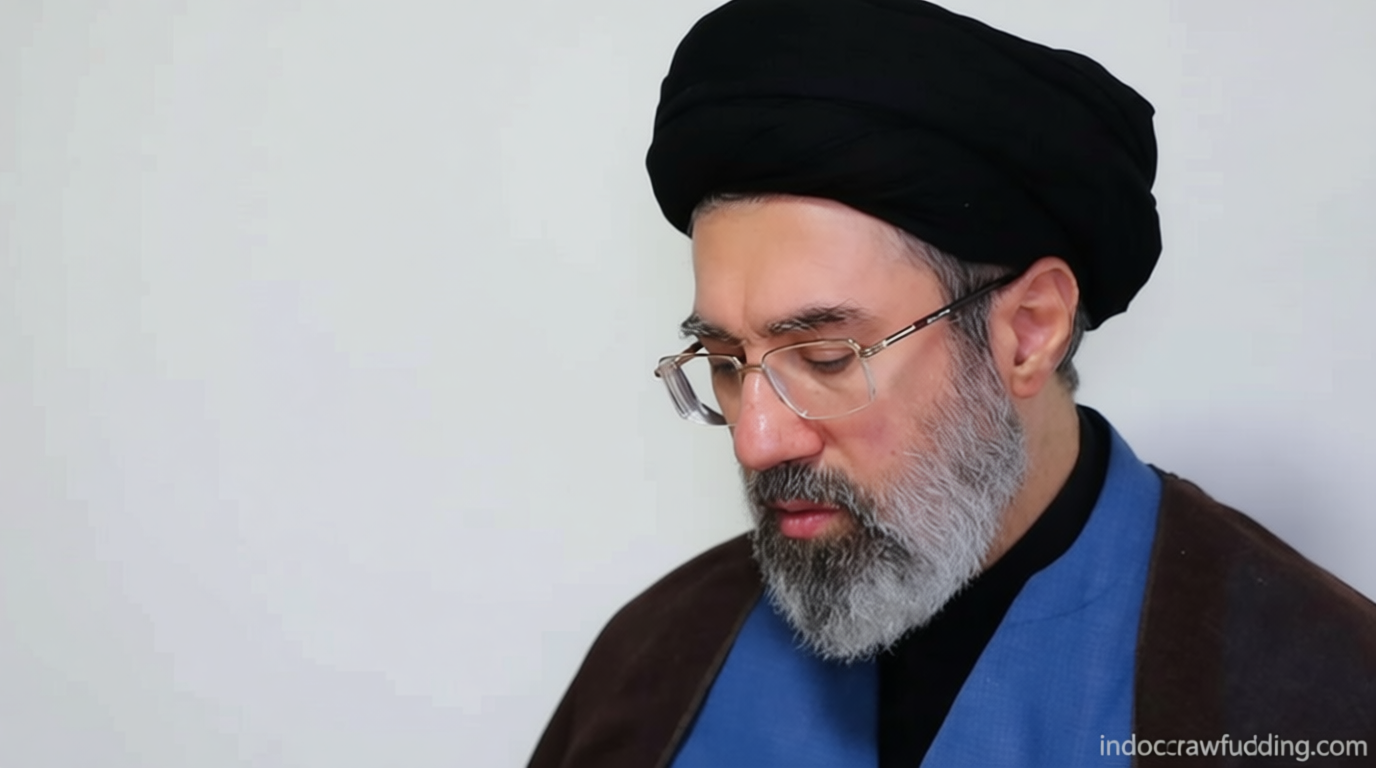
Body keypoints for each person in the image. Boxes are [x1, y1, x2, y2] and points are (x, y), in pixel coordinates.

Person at [529, 1, 1376, 765]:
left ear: (1029, 331)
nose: (758, 440)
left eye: (825, 359)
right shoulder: (655, 669)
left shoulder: (1315, 698)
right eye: (724, 362)